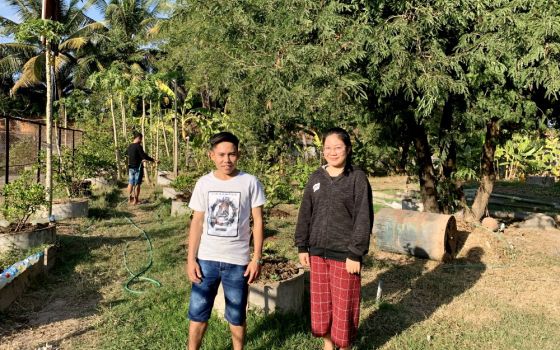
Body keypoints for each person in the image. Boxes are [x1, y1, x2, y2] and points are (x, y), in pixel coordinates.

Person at [295, 127, 373, 350]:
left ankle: (344, 346)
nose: (333, 152)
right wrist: (303, 246)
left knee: (344, 305)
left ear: (347, 149)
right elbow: (305, 212)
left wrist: (356, 253)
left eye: (338, 147)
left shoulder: (357, 178)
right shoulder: (316, 177)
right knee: (322, 305)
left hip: (346, 255)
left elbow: (363, 217)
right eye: (328, 148)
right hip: (317, 253)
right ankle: (328, 345)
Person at [186, 131, 266, 350]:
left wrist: (256, 258)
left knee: (237, 314)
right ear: (212, 155)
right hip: (206, 260)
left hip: (237, 262)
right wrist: (191, 259)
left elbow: (257, 222)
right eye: (221, 155)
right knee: (198, 313)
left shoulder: (250, 182)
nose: (226, 160)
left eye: (231, 154)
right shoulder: (204, 183)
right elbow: (197, 222)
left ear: (238, 155)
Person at [126, 131, 157, 205]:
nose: (141, 141)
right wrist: (153, 160)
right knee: (137, 184)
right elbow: (144, 156)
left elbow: (127, 155)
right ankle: (135, 201)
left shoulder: (129, 146)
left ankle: (129, 199)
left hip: (130, 167)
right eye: (141, 139)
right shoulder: (138, 146)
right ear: (138, 138)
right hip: (138, 168)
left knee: (130, 183)